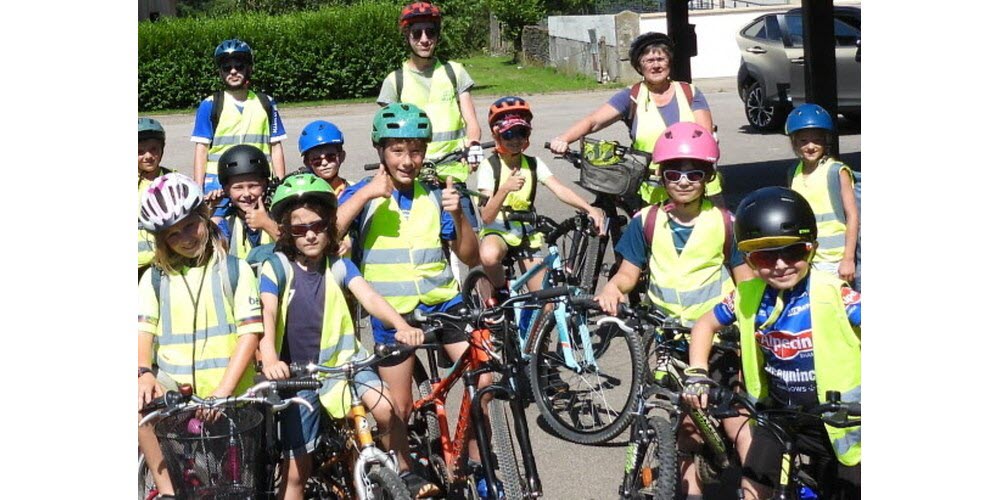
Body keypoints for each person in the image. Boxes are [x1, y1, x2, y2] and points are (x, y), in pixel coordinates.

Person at [594, 122, 753, 498]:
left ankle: (761, 484)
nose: (683, 180)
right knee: (685, 425)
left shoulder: (727, 224)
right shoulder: (646, 222)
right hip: (668, 336)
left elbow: (747, 283)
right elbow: (628, 274)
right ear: (661, 177)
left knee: (736, 421)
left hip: (720, 337)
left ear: (709, 176)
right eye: (673, 172)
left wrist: (752, 329)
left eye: (694, 172)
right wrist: (612, 289)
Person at [336, 103, 486, 497]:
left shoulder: (436, 195)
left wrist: (462, 217)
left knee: (482, 378)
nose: (408, 160)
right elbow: (323, 234)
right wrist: (368, 192)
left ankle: (472, 460)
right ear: (381, 150)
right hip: (393, 314)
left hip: (442, 305)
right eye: (398, 150)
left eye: (416, 150)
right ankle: (404, 468)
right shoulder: (362, 194)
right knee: (398, 407)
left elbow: (469, 256)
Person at [684, 186, 861, 500]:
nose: (780, 265)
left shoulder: (836, 293)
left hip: (839, 422)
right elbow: (705, 324)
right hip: (777, 416)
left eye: (793, 252)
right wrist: (697, 372)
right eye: (766, 255)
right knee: (752, 489)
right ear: (749, 259)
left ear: (812, 248)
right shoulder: (746, 295)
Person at [258, 173, 425, 500]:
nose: (309, 235)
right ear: (287, 233)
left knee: (386, 409)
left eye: (318, 226)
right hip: (299, 375)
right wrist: (270, 357)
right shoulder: (276, 267)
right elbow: (267, 316)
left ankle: (389, 470)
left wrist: (400, 325)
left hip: (346, 362)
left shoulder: (339, 266)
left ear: (330, 225)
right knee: (297, 473)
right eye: (299, 229)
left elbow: (371, 298)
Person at [137, 173, 263, 498]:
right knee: (137, 407)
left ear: (204, 215)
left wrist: (223, 391)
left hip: (229, 398)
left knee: (232, 486)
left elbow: (250, 334)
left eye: (189, 225)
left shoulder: (235, 270)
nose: (184, 238)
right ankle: (166, 492)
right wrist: (143, 372)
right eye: (172, 234)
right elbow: (143, 328)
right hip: (176, 398)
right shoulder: (155, 278)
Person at [547, 32, 720, 206]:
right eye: (649, 61)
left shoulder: (690, 92)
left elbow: (705, 138)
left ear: (669, 61)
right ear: (639, 66)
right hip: (654, 191)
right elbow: (594, 121)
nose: (656, 65)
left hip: (697, 184)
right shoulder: (632, 96)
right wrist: (564, 139)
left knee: (714, 230)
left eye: (661, 59)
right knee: (651, 232)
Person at [378, 1, 484, 280]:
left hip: (451, 174)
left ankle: (486, 314)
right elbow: (384, 135)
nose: (425, 39)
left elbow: (471, 121)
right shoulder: (395, 81)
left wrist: (473, 145)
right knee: (423, 248)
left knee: (471, 250)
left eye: (431, 32)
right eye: (417, 34)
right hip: (414, 175)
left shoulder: (454, 72)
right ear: (407, 37)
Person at [477, 96, 606, 292]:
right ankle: (501, 292)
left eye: (521, 132)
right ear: (497, 135)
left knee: (546, 302)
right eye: (508, 134)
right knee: (488, 255)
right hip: (499, 230)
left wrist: (589, 208)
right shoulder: (489, 167)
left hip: (526, 232)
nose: (515, 140)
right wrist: (504, 189)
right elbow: (486, 217)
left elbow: (560, 189)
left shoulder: (534, 164)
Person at [192, 38, 287, 214]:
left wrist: (280, 183)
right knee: (216, 230)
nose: (233, 71)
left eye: (239, 66)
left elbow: (276, 146)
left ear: (249, 68)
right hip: (218, 184)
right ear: (220, 72)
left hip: (255, 180)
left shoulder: (266, 103)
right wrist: (199, 188)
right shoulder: (210, 104)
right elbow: (201, 149)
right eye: (227, 68)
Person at [785, 104, 859, 287]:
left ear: (826, 141)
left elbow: (852, 216)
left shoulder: (836, 171)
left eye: (816, 140)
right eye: (803, 141)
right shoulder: (793, 172)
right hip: (806, 258)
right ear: (794, 143)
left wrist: (848, 259)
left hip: (835, 261)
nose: (810, 146)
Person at [215, 144, 280, 258]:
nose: (246, 194)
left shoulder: (279, 218)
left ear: (265, 185)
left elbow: (297, 251)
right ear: (226, 190)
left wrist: (267, 224)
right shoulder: (227, 225)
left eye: (253, 186)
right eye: (238, 187)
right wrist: (208, 212)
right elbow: (208, 253)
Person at [139, 117, 174, 279]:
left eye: (154, 149)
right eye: (140, 152)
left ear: (162, 150)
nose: (148, 156)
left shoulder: (173, 179)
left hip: (165, 263)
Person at [297, 120, 352, 196]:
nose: (324, 163)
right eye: (317, 160)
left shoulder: (353, 190)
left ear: (341, 156)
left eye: (330, 157)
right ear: (307, 163)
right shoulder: (302, 194)